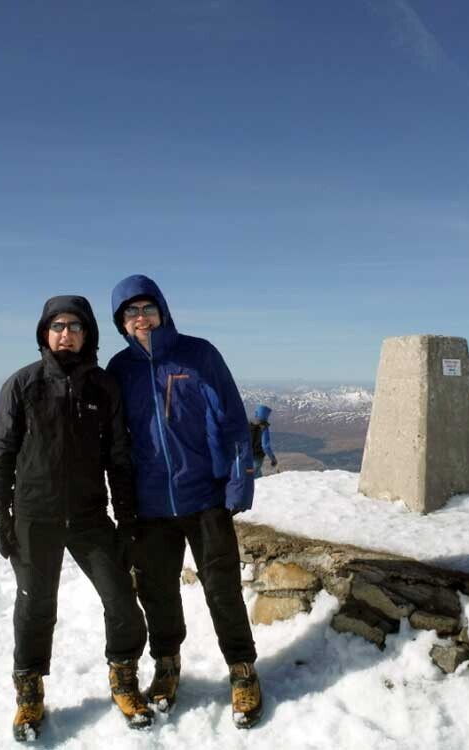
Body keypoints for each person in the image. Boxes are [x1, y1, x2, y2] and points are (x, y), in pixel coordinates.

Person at [0, 295, 153, 742]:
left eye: (75, 326)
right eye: (57, 325)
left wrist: (127, 519)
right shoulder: (22, 385)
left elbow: (118, 457)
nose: (66, 333)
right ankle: (29, 696)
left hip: (89, 516)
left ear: (87, 335)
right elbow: (3, 454)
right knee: (35, 607)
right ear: (45, 332)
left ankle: (123, 679)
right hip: (33, 516)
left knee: (120, 598)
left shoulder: (103, 387)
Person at [106, 275, 263, 729]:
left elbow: (231, 418)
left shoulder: (198, 354)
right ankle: (167, 666)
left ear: (163, 310)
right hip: (151, 506)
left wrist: (239, 483)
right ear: (121, 322)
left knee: (222, 590)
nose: (140, 318)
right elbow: (115, 441)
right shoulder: (120, 369)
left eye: (146, 308)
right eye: (130, 313)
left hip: (205, 497)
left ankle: (242, 669)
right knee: (157, 593)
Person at [250, 405, 278, 478]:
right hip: (257, 458)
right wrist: (273, 459)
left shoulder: (248, 425)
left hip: (246, 456)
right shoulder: (264, 428)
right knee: (255, 478)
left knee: (252, 475)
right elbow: (265, 446)